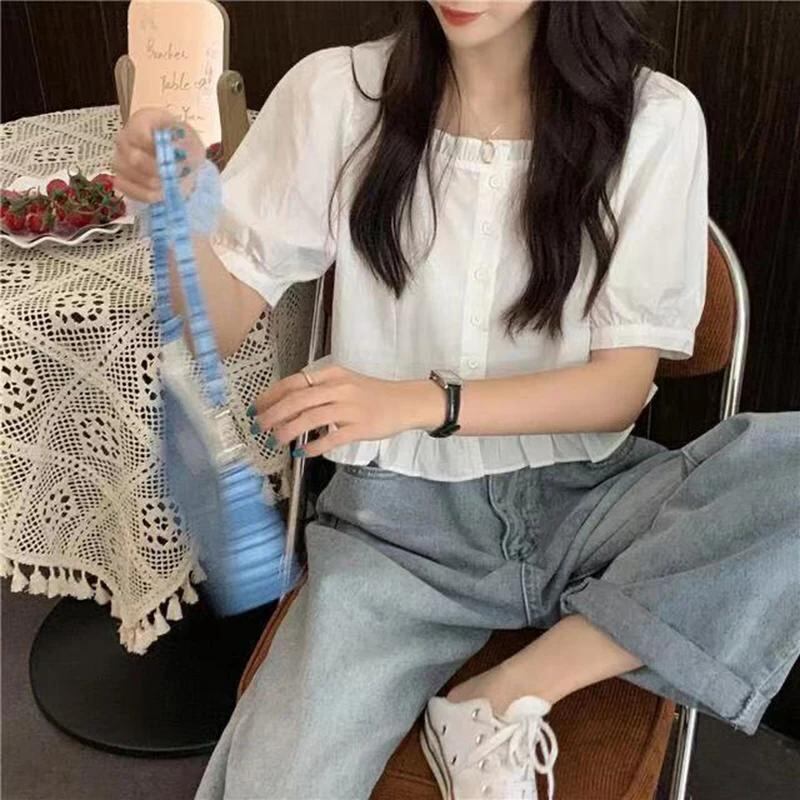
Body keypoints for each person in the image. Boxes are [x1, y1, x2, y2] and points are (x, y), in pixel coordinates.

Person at [114, 2, 800, 798]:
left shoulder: (654, 119)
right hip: (395, 536)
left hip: (586, 504)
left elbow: (618, 391)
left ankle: (507, 694)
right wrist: (178, 214)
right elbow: (219, 324)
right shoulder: (337, 95)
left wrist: (417, 402)